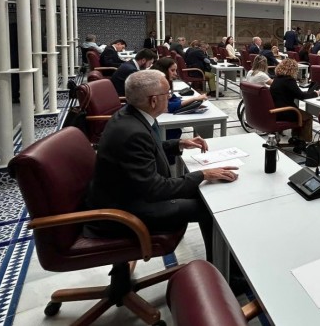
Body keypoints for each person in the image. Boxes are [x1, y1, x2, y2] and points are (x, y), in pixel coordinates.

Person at [84, 69, 238, 262]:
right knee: (209, 208)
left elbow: (146, 151)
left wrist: (178, 144)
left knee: (202, 191)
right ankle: (224, 271)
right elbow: (156, 189)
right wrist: (203, 174)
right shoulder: (133, 133)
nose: (171, 97)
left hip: (122, 194)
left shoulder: (129, 115)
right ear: (154, 100)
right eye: (168, 94)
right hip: (124, 212)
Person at [151, 57, 209, 139]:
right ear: (163, 70)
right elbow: (168, 107)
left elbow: (172, 98)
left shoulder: (164, 81)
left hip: (160, 117)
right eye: (172, 70)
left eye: (175, 70)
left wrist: (190, 105)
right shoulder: (157, 85)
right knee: (175, 131)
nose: (175, 73)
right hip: (158, 121)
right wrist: (194, 99)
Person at [270, 59, 318, 150]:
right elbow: (301, 96)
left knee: (300, 114)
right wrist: (315, 94)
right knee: (307, 117)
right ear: (293, 70)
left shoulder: (277, 79)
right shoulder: (289, 80)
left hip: (276, 110)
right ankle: (303, 142)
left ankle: (296, 138)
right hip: (285, 111)